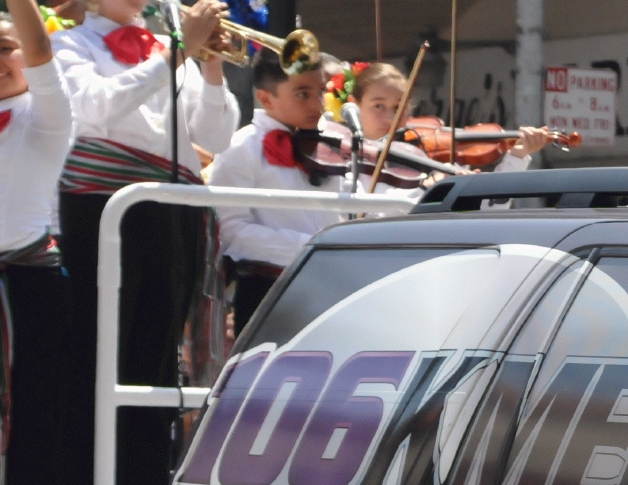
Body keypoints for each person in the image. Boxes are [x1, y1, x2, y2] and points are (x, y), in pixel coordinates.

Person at [53, 0, 235, 485]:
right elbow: (96, 111)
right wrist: (178, 51)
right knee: (96, 361)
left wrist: (208, 68)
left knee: (156, 367)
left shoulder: (166, 50)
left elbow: (215, 136)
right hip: (101, 212)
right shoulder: (70, 46)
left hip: (169, 213)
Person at [0, 0, 73, 485]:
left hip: (29, 284)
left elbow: (43, 52)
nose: (1, 60)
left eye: (5, 47)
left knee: (35, 422)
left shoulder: (44, 114)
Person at [209, 48, 347, 333]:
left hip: (328, 284)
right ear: (265, 99)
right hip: (268, 289)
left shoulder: (329, 144)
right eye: (302, 94)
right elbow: (231, 231)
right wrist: (309, 247)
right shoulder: (242, 147)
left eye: (321, 91)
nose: (318, 104)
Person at [347, 61, 551, 171]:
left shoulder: (436, 165)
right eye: (378, 106)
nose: (391, 118)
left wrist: (516, 156)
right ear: (354, 106)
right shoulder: (342, 163)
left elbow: (490, 209)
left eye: (398, 108)